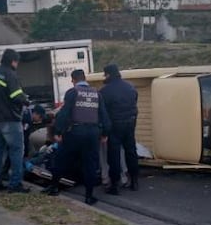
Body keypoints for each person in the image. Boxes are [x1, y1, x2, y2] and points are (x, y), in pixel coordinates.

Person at [43, 69, 110, 205]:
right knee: (90, 165)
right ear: (85, 78)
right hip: (92, 133)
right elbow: (104, 115)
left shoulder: (72, 92)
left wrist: (58, 132)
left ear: (73, 80)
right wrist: (105, 133)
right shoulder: (97, 93)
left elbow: (64, 113)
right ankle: (89, 196)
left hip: (75, 132)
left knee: (61, 159)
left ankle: (54, 187)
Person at [0, 49, 30, 193]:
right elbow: (16, 96)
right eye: (17, 62)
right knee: (16, 150)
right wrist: (26, 100)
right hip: (10, 119)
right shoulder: (10, 75)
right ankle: (15, 183)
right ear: (13, 61)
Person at [100, 63, 139, 193]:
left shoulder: (105, 91)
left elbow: (103, 112)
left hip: (115, 125)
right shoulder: (130, 87)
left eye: (105, 74)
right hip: (130, 123)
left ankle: (114, 185)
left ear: (109, 74)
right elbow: (135, 104)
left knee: (114, 155)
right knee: (131, 152)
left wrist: (104, 130)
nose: (104, 77)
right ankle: (134, 181)